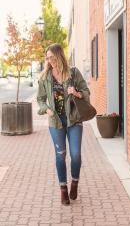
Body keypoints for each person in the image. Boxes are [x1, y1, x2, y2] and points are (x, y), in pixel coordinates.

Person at [37, 43, 90, 205]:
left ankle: (74, 182)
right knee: (60, 155)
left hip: (74, 119)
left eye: (52, 57)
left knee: (75, 155)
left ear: (60, 56)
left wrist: (76, 93)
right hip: (56, 122)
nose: (50, 61)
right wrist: (46, 109)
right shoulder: (45, 77)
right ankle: (63, 190)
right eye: (47, 58)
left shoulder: (73, 73)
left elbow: (86, 92)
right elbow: (40, 99)